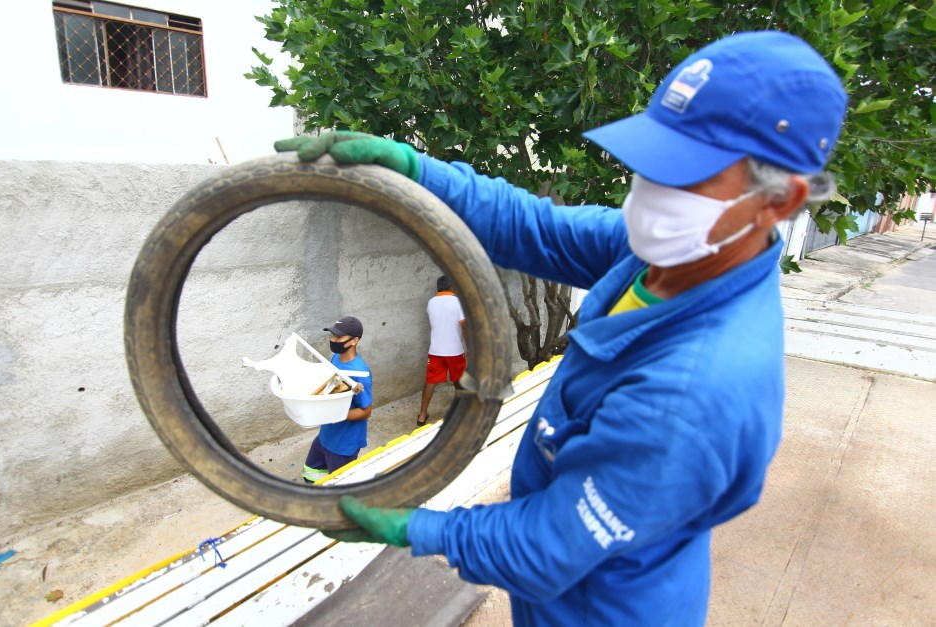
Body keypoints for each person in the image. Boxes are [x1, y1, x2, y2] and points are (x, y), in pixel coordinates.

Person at [277, 31, 847, 625]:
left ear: (778, 202)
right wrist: (417, 171)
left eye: (687, 175)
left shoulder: (696, 393)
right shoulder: (671, 253)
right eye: (655, 160)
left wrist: (416, 527)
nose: (650, 192)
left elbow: (547, 546)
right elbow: (534, 227)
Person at [302, 315, 373, 483]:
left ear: (354, 341)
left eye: (339, 337)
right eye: (332, 335)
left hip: (343, 445)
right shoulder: (335, 358)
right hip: (325, 436)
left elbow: (366, 411)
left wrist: (332, 413)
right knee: (310, 474)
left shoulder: (360, 374)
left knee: (341, 487)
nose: (333, 340)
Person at [416, 275, 467, 426]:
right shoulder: (458, 302)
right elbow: (464, 326)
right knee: (459, 381)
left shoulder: (431, 302)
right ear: (452, 287)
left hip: (435, 350)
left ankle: (422, 415)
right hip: (455, 351)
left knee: (430, 382)